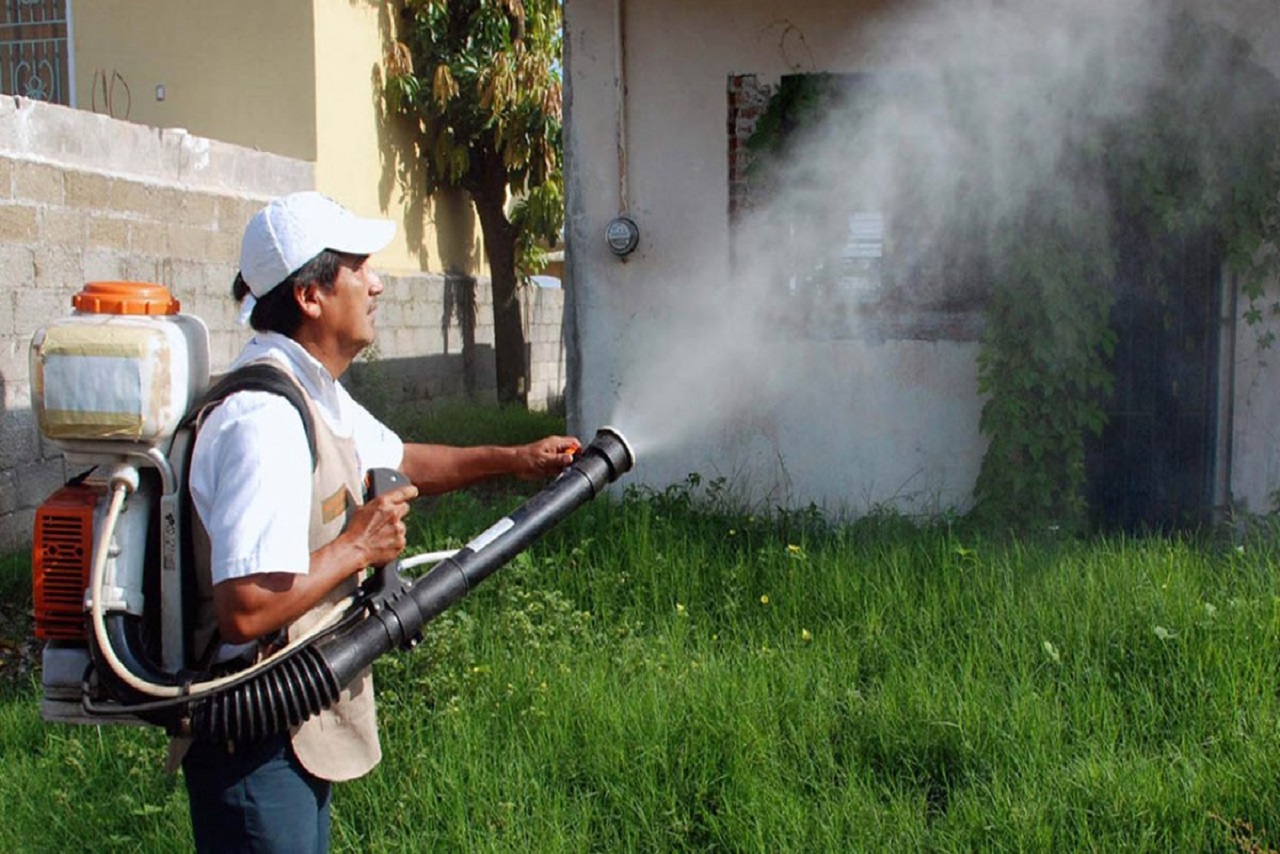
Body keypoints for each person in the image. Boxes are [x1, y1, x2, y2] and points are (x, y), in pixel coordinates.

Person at [178, 191, 578, 853]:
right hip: (252, 737)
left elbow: (403, 458)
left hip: (292, 717)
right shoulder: (266, 420)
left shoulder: (311, 391)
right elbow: (245, 609)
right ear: (310, 295)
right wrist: (356, 548)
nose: (378, 282)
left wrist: (517, 459)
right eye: (360, 267)